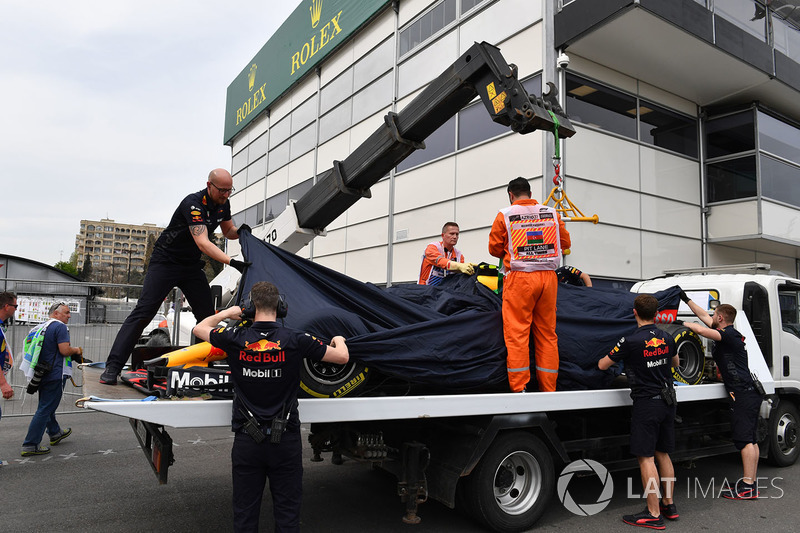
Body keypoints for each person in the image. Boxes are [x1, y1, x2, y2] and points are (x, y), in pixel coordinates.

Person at [192, 281, 349, 533]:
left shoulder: (235, 338)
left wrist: (226, 314)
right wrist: (339, 339)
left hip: (247, 442)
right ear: (281, 307)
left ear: (250, 308)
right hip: (285, 441)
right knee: (287, 516)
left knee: (244, 516)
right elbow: (342, 357)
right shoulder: (296, 339)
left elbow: (200, 328)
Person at [100, 169, 251, 385]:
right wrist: (232, 262)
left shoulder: (223, 203)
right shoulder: (193, 204)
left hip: (190, 266)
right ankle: (112, 367)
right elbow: (203, 243)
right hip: (166, 262)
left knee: (207, 318)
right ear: (209, 185)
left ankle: (201, 367)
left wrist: (241, 231)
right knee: (143, 313)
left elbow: (228, 231)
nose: (226, 194)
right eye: (222, 190)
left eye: (230, 190)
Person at [598, 294, 679, 529]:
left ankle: (653, 513)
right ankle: (669, 505)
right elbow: (675, 363)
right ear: (657, 314)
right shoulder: (666, 336)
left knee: (646, 457)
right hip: (669, 401)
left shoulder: (630, 341)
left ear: (634, 312)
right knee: (663, 453)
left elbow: (603, 364)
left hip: (647, 403)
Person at [488, 177, 571, 392]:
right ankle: (548, 389)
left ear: (511, 194)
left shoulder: (505, 215)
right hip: (548, 278)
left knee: (517, 334)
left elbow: (494, 249)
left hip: (520, 278)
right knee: (547, 334)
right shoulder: (552, 213)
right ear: (530, 193)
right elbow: (565, 244)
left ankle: (520, 388)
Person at [681, 293, 761, 500]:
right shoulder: (725, 330)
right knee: (750, 439)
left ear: (721, 318)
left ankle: (748, 486)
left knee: (745, 440)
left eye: (714, 314)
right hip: (746, 391)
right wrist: (685, 298)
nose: (711, 316)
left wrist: (680, 322)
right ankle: (748, 481)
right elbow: (703, 318)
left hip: (743, 392)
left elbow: (700, 329)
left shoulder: (729, 335)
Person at [21, 302, 82, 457]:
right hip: (55, 374)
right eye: (67, 313)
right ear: (56, 313)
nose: (69, 316)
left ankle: (55, 433)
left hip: (41, 372)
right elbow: (64, 350)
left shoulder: (40, 327)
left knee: (46, 406)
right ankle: (30, 444)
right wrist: (77, 350)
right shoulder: (60, 327)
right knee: (45, 409)